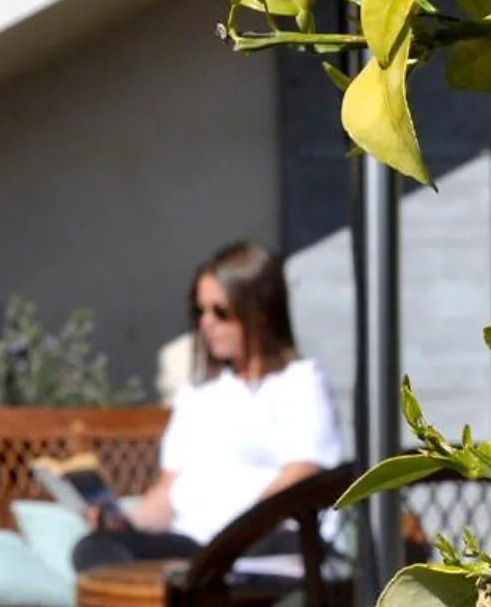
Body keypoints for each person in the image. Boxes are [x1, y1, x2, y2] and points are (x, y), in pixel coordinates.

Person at [69, 240, 345, 572]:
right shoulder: (197, 394)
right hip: (195, 548)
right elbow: (170, 490)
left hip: (265, 540)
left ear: (259, 311)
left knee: (283, 552)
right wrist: (125, 522)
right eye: (200, 311)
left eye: (220, 311)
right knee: (97, 549)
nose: (206, 324)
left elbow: (302, 474)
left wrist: (234, 537)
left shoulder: (299, 381)